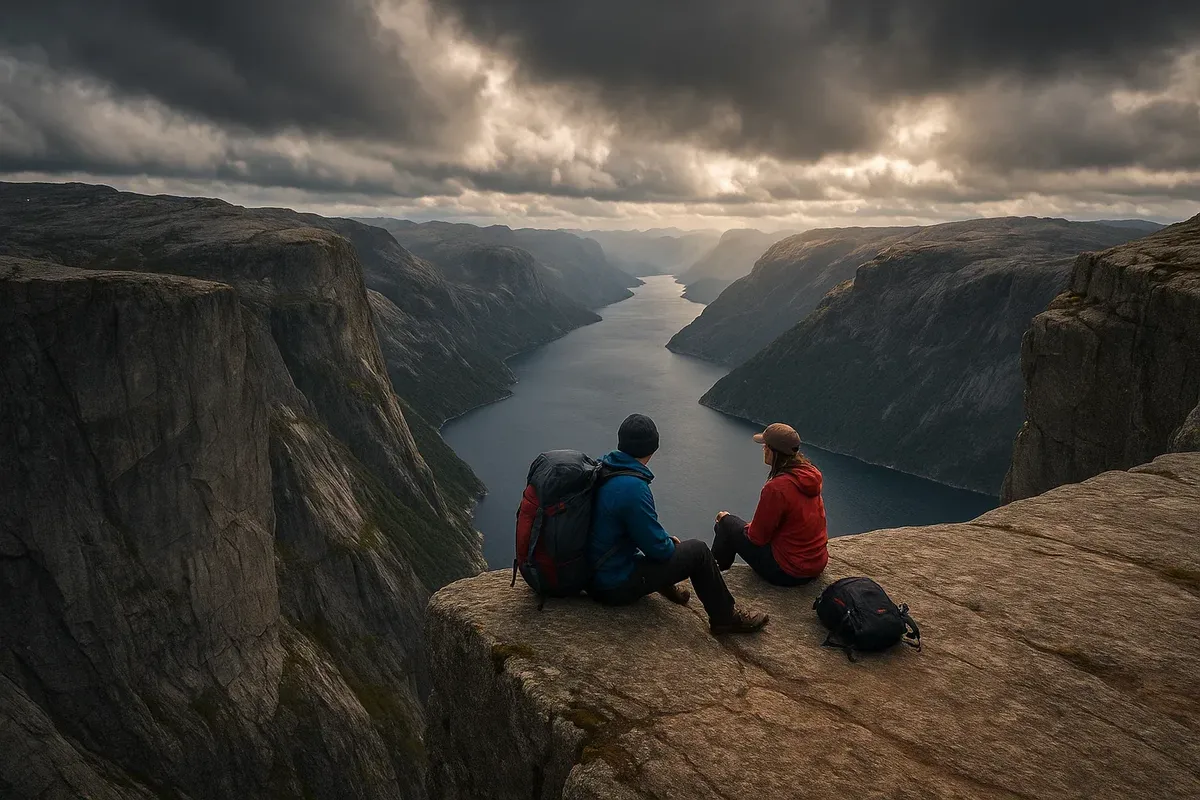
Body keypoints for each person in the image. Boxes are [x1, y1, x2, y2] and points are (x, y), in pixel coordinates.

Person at [588, 413, 769, 635]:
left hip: (592, 572)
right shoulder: (633, 488)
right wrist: (669, 545)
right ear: (653, 448)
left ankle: (664, 584)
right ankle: (725, 618)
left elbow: (633, 530)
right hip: (612, 584)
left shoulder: (604, 468)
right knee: (698, 551)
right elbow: (659, 551)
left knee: (665, 543)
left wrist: (664, 542)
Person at [712, 423, 829, 586]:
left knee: (724, 522)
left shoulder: (777, 488)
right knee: (729, 527)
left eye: (766, 446)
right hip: (815, 565)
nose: (763, 449)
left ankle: (711, 577)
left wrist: (731, 524)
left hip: (788, 572)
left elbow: (757, 538)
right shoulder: (808, 476)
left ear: (775, 452)